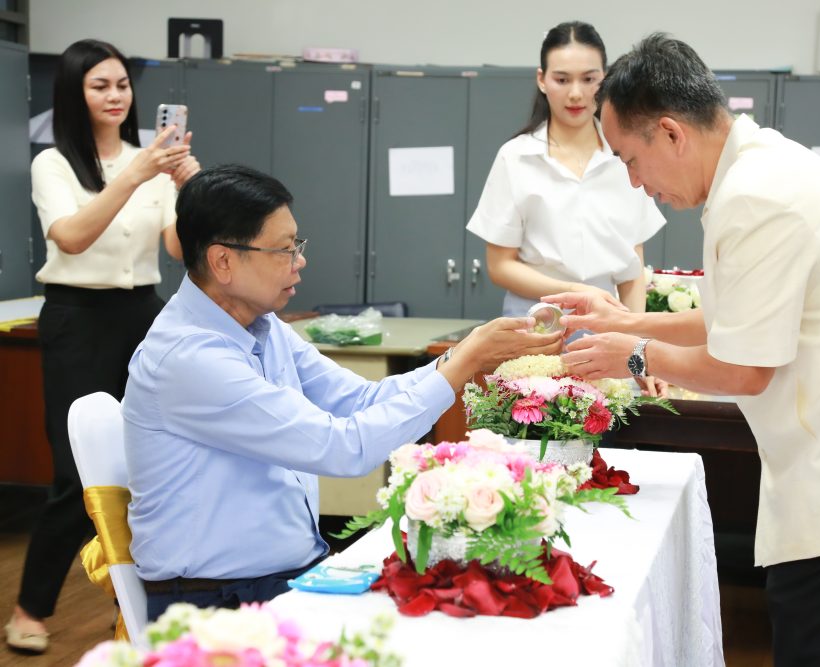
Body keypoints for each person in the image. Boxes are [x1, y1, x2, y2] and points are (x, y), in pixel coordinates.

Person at [545, 34, 820, 666]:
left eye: (632, 161)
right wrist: (628, 319)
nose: (637, 185)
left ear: (671, 133)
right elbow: (738, 317)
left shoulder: (756, 197)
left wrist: (634, 355)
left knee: (818, 646)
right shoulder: (759, 164)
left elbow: (745, 369)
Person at [122, 164, 563, 620]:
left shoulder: (263, 325)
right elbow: (343, 448)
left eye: (297, 245)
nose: (299, 261)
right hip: (217, 603)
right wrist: (464, 365)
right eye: (284, 249)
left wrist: (461, 355)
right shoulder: (189, 357)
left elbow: (362, 401)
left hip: (284, 576)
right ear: (223, 262)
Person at [6, 39, 200, 654]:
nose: (116, 96)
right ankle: (31, 608)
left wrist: (189, 185)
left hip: (144, 314)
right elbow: (70, 237)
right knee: (75, 475)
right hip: (77, 318)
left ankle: (143, 609)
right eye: (100, 86)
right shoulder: (54, 163)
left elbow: (178, 250)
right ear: (75, 93)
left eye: (122, 84)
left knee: (151, 464)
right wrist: (135, 176)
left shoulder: (152, 161)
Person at [466, 21, 665, 317]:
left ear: (605, 79)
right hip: (536, 316)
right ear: (542, 80)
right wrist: (574, 291)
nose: (575, 93)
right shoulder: (516, 157)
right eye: (562, 80)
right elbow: (500, 266)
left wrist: (633, 328)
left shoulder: (625, 155)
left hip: (607, 315)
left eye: (589, 79)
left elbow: (632, 264)